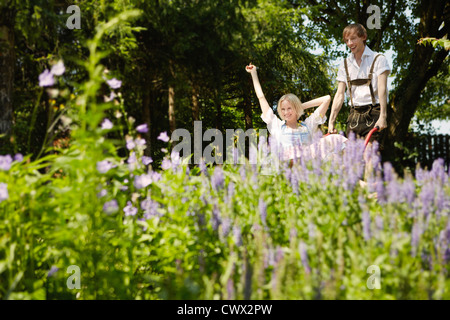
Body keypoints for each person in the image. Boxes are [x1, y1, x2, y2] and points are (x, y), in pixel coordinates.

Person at [245, 63, 347, 161]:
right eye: (283, 109)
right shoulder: (276, 126)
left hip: (307, 163)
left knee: (336, 139)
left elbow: (326, 99)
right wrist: (254, 73)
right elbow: (261, 97)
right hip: (288, 163)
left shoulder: (308, 125)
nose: (286, 112)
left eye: (289, 108)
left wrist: (300, 107)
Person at [328, 23, 391, 144]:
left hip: (374, 113)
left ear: (364, 37)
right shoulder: (345, 64)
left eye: (353, 39)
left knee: (369, 158)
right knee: (353, 160)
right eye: (347, 40)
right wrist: (331, 121)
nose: (350, 43)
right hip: (354, 116)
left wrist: (383, 116)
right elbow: (340, 94)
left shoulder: (378, 59)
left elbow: (382, 89)